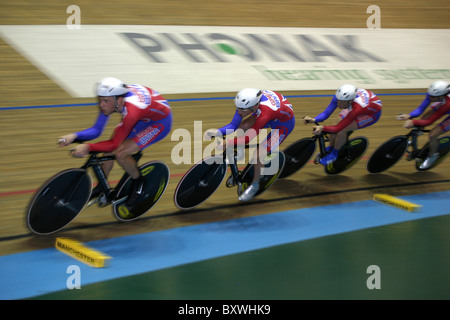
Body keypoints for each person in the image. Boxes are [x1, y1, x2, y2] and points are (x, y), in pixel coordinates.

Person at [58, 77, 172, 206]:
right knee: (108, 150)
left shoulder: (132, 112)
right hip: (144, 116)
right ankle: (102, 186)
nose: (102, 105)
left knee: (120, 152)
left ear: (118, 100)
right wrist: (74, 136)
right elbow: (97, 130)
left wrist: (88, 147)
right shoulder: (113, 99)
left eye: (105, 101)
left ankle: (138, 181)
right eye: (100, 100)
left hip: (159, 123)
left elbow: (114, 144)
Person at [205, 88, 295, 202]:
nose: (240, 113)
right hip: (271, 114)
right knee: (242, 126)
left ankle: (255, 184)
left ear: (254, 106)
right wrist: (217, 132)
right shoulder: (249, 104)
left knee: (258, 154)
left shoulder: (265, 112)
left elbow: (248, 138)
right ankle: (239, 155)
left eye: (243, 110)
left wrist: (229, 142)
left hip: (283, 124)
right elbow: (233, 125)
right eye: (238, 108)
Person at [304, 84, 382, 165]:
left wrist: (322, 128)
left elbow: (338, 128)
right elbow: (326, 114)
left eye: (342, 102)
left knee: (342, 130)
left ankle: (334, 153)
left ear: (350, 101)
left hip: (371, 114)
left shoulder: (357, 108)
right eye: (338, 100)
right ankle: (330, 147)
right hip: (360, 105)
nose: (338, 104)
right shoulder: (339, 97)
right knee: (335, 122)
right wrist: (314, 119)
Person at [399, 80, 450, 169]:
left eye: (432, 97)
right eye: (429, 95)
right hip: (443, 103)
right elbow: (420, 109)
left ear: (442, 96)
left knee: (432, 134)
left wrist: (413, 122)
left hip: (447, 107)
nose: (430, 98)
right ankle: (415, 142)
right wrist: (409, 115)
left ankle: (433, 156)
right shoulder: (434, 95)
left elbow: (430, 121)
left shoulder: (447, 104)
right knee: (424, 118)